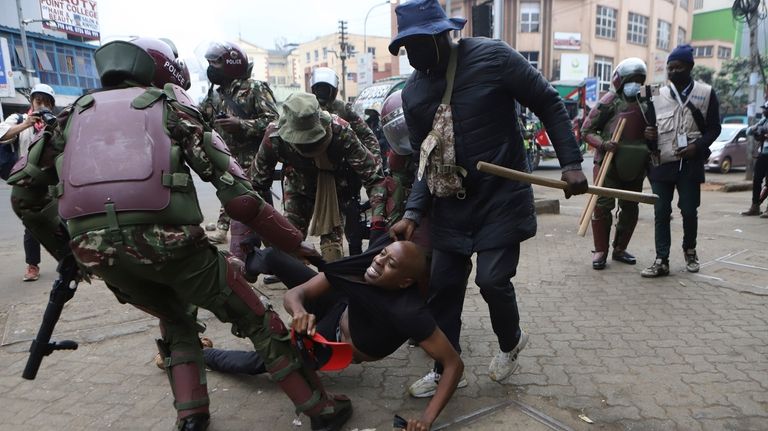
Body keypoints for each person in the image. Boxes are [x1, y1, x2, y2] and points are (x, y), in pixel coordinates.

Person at [7, 38, 350, 431]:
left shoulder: (72, 117)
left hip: (99, 255)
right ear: (164, 70)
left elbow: (23, 196)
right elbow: (241, 201)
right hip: (175, 249)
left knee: (174, 317)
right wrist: (296, 243)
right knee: (256, 319)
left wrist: (67, 252)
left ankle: (191, 417)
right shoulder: (172, 109)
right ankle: (320, 410)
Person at [387, 0, 588, 398]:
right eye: (406, 48)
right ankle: (448, 367)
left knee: (492, 279)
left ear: (442, 35)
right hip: (450, 204)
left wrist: (571, 164)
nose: (413, 55)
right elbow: (426, 160)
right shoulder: (413, 94)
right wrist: (412, 212)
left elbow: (548, 102)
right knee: (443, 287)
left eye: (418, 44)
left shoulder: (493, 57)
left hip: (501, 195)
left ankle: (511, 341)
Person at [198, 239, 463, 431]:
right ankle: (252, 261)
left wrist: (427, 419)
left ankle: (200, 355)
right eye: (381, 254)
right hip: (339, 306)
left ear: (405, 282)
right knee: (276, 257)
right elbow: (296, 294)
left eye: (390, 263)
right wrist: (300, 311)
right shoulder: (364, 268)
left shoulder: (409, 312)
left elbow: (453, 364)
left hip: (332, 343)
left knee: (269, 359)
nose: (378, 262)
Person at [251, 92, 386, 262]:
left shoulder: (340, 132)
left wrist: (378, 222)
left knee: (332, 252)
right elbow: (257, 185)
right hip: (298, 187)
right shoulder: (275, 137)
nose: (307, 145)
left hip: (336, 189)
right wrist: (258, 228)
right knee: (288, 246)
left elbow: (374, 178)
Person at [641, 44, 721, 277]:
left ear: (689, 67)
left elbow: (715, 128)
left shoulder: (706, 93)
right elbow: (644, 121)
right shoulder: (654, 92)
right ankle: (661, 259)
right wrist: (648, 136)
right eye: (669, 67)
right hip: (662, 162)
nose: (672, 71)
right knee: (661, 211)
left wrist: (697, 147)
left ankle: (690, 250)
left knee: (688, 210)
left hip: (690, 163)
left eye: (678, 67)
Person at [200, 41, 279, 254]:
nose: (211, 69)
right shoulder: (214, 95)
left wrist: (241, 124)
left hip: (255, 164)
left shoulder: (254, 88)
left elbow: (274, 122)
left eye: (215, 64)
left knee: (262, 214)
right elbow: (199, 121)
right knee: (238, 211)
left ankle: (282, 260)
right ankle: (248, 261)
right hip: (227, 163)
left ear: (231, 64)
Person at [581, 58, 652, 270]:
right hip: (608, 164)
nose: (636, 84)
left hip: (636, 164)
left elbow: (661, 124)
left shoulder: (648, 101)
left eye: (639, 80)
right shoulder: (609, 100)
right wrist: (603, 143)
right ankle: (600, 250)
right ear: (620, 80)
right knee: (602, 207)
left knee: (630, 208)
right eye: (632, 79)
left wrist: (652, 135)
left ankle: (620, 248)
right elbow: (586, 130)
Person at [310, 67, 385, 254]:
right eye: (319, 88)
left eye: (325, 89)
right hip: (316, 175)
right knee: (306, 221)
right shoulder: (307, 109)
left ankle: (354, 260)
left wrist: (373, 161)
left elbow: (368, 136)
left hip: (345, 175)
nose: (322, 94)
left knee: (352, 222)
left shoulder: (344, 109)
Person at [0, 84, 57, 282]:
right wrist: (27, 124)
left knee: (62, 220)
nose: (43, 106)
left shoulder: (54, 122)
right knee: (31, 225)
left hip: (51, 179)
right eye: (39, 101)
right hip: (26, 179)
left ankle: (69, 260)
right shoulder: (19, 119)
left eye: (47, 103)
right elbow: (2, 135)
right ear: (32, 102)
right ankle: (33, 266)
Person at [741, 101, 768, 217]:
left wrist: (763, 133)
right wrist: (761, 132)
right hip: (763, 154)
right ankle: (755, 206)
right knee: (757, 179)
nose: (763, 111)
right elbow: (749, 131)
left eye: (765, 109)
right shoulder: (763, 121)